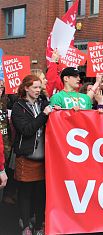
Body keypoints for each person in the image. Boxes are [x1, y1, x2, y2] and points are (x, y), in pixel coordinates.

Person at [11, 75, 53, 235]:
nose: (38, 90)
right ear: (26, 88)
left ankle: (39, 224)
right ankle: (26, 225)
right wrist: (43, 115)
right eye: (35, 87)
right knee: (25, 193)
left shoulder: (43, 103)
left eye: (39, 87)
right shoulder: (18, 107)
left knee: (40, 193)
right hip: (26, 157)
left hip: (44, 157)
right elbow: (26, 130)